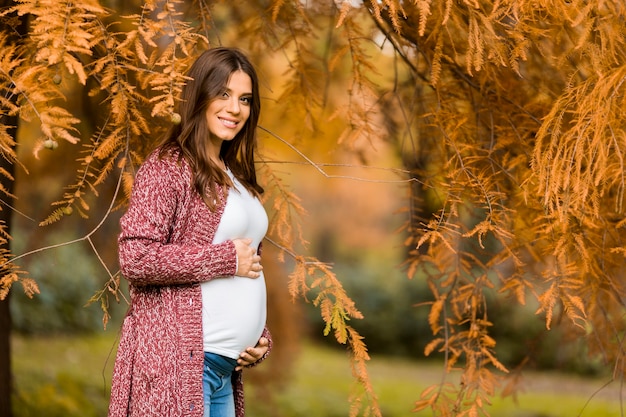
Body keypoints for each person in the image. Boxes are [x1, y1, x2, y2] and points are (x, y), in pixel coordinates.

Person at [108, 47, 272, 417]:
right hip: (180, 365)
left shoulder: (234, 175)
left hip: (221, 369)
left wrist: (260, 338)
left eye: (245, 99)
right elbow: (136, 258)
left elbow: (248, 271)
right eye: (223, 94)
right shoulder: (168, 167)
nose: (235, 109)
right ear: (199, 95)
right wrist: (225, 258)